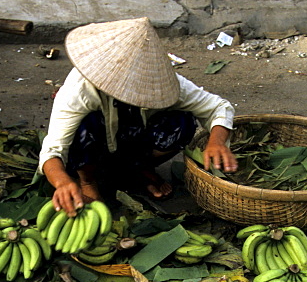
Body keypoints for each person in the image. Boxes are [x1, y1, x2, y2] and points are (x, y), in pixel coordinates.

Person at [38, 17, 238, 216]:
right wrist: (62, 181)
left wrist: (217, 141)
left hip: (133, 142)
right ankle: (87, 181)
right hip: (95, 147)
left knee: (182, 122)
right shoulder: (79, 90)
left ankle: (138, 170)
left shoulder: (165, 83)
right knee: (83, 126)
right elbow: (53, 149)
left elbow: (218, 107)